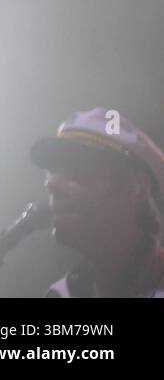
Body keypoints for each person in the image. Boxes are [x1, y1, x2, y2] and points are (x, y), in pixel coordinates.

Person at [31, 107, 164, 297]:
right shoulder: (60, 294)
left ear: (136, 187)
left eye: (74, 169)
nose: (51, 184)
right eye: (51, 172)